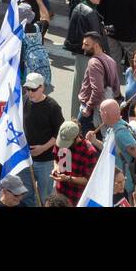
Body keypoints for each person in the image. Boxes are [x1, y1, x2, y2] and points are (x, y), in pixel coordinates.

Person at [21, 71, 63, 208]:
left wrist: (43, 148)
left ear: (42, 87)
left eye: (33, 89)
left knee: (45, 196)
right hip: (26, 159)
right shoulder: (23, 100)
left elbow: (59, 135)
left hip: (45, 160)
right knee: (26, 195)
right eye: (28, 89)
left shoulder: (53, 107)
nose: (30, 93)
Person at [76, 32, 121, 135]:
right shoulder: (110, 60)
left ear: (96, 46)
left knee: (83, 142)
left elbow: (98, 90)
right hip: (102, 108)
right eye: (83, 44)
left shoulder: (94, 63)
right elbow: (116, 87)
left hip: (90, 111)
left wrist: (88, 108)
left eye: (87, 45)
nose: (83, 47)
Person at [52, 120, 97, 205]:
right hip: (60, 194)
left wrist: (68, 178)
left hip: (77, 198)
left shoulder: (90, 152)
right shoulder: (61, 140)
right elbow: (56, 159)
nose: (63, 145)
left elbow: (88, 180)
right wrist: (56, 168)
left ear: (76, 138)